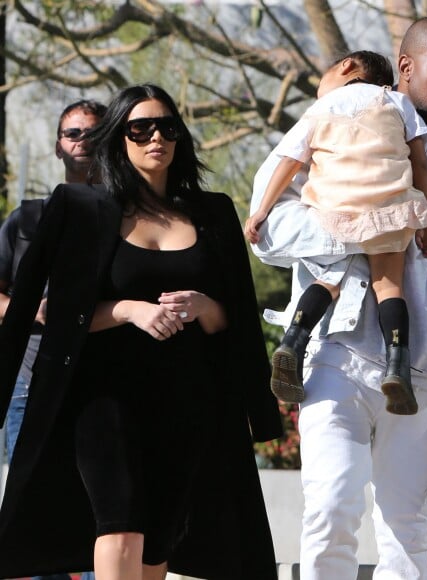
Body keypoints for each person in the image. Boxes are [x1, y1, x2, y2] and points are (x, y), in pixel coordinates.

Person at [250, 16, 427, 580]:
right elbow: (266, 230)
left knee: (408, 531)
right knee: (330, 508)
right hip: (336, 353)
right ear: (406, 68)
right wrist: (362, 226)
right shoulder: (335, 118)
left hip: (426, 374)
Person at [0, 83, 282, 580]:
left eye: (167, 127)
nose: (157, 137)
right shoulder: (80, 209)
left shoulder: (213, 213)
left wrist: (203, 305)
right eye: (141, 128)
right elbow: (57, 314)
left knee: (158, 537)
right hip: (101, 393)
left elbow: (233, 319)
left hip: (187, 397)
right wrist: (128, 309)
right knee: (121, 521)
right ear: (118, 138)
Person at [245, 50, 427, 413]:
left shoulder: (321, 107)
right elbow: (421, 163)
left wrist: (262, 210)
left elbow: (291, 161)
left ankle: (295, 339)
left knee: (330, 275)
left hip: (333, 209)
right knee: (389, 285)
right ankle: (398, 366)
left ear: (346, 67)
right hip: (390, 210)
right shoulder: (398, 101)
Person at [0, 100, 106, 580]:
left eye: (92, 132)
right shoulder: (26, 220)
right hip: (32, 387)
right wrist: (31, 310)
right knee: (38, 514)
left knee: (101, 513)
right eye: (72, 133)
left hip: (105, 388)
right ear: (58, 145)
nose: (81, 139)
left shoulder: (128, 217)